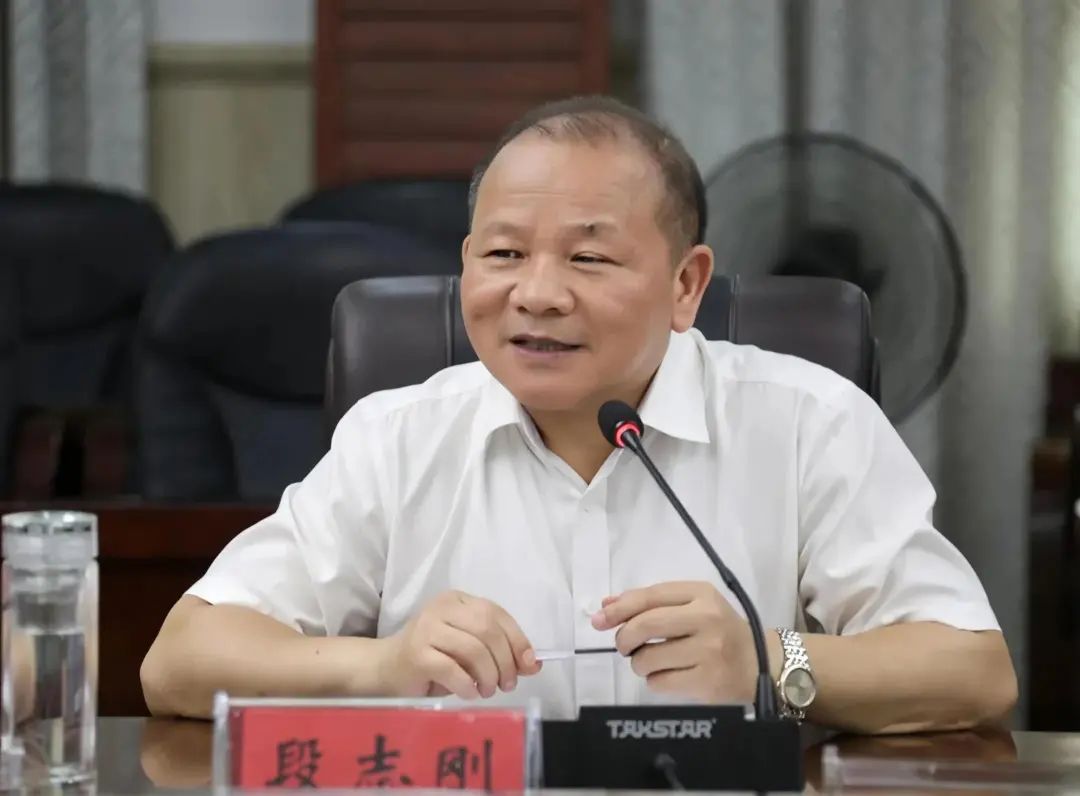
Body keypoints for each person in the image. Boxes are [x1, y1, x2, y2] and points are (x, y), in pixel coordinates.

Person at [141, 95, 1017, 732]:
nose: (537, 294)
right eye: (504, 254)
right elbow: (180, 660)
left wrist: (770, 661)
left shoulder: (807, 422)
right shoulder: (398, 437)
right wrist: (383, 663)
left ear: (686, 285)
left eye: (589, 259)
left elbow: (974, 672)